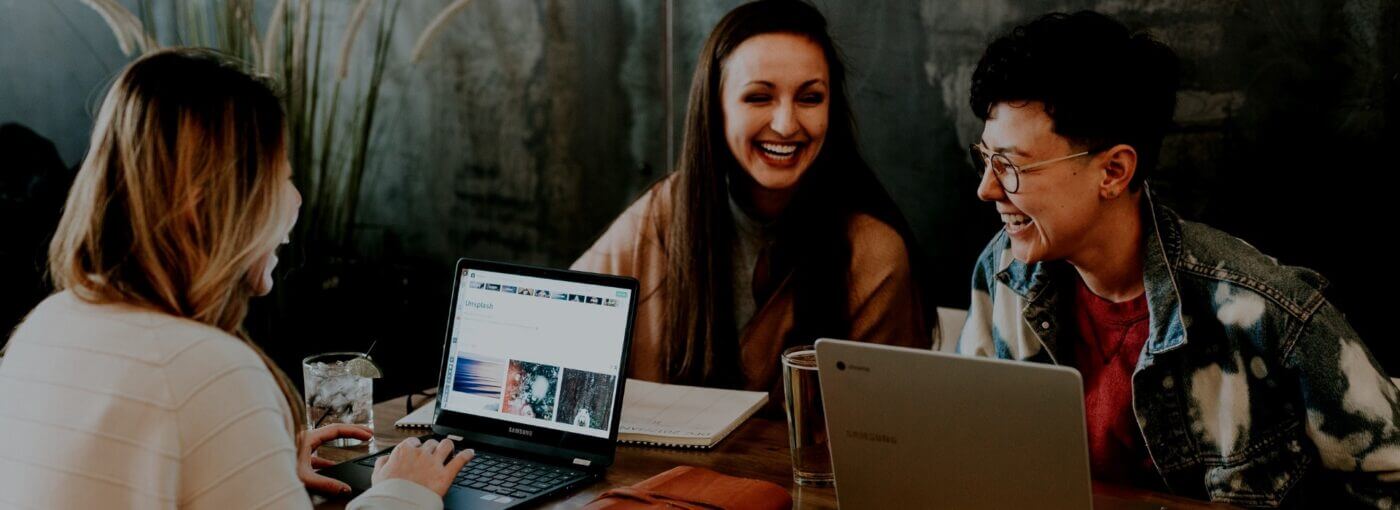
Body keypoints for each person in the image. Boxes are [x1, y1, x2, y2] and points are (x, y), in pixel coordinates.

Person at [951, 11, 1400, 506]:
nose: (986, 188)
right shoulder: (1004, 271)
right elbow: (972, 446)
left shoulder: (1267, 313)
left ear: (1114, 171)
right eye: (986, 158)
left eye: (1012, 166)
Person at [0, 48, 471, 509]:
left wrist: (255, 459)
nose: (297, 200)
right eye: (280, 179)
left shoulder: (45, 325)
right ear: (203, 208)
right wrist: (404, 491)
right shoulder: (208, 369)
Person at [572, 0, 931, 402]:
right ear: (716, 108)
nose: (785, 124)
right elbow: (561, 326)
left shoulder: (873, 255)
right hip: (657, 467)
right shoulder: (664, 212)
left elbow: (876, 434)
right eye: (759, 98)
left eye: (810, 98)